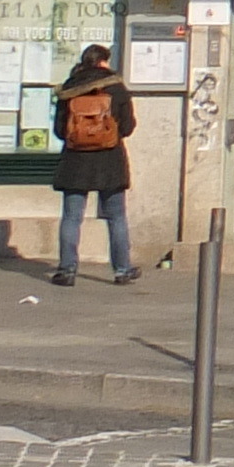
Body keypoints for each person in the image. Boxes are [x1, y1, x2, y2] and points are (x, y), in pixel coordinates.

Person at [50, 44, 139, 289]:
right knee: (116, 217)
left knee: (71, 217)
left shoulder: (70, 89)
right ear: (103, 62)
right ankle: (122, 270)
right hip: (110, 161)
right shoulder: (116, 88)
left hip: (75, 161)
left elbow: (59, 130)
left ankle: (67, 270)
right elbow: (129, 126)